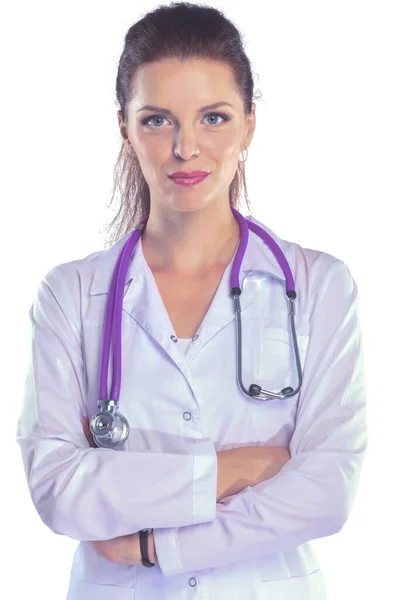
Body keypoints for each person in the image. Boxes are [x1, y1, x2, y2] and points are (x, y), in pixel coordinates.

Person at [15, 2, 368, 599]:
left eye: (214, 117)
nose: (185, 148)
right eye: (157, 120)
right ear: (124, 128)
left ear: (250, 124)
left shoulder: (319, 286)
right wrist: (242, 468)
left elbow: (328, 490)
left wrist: (157, 544)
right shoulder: (70, 295)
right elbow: (59, 490)